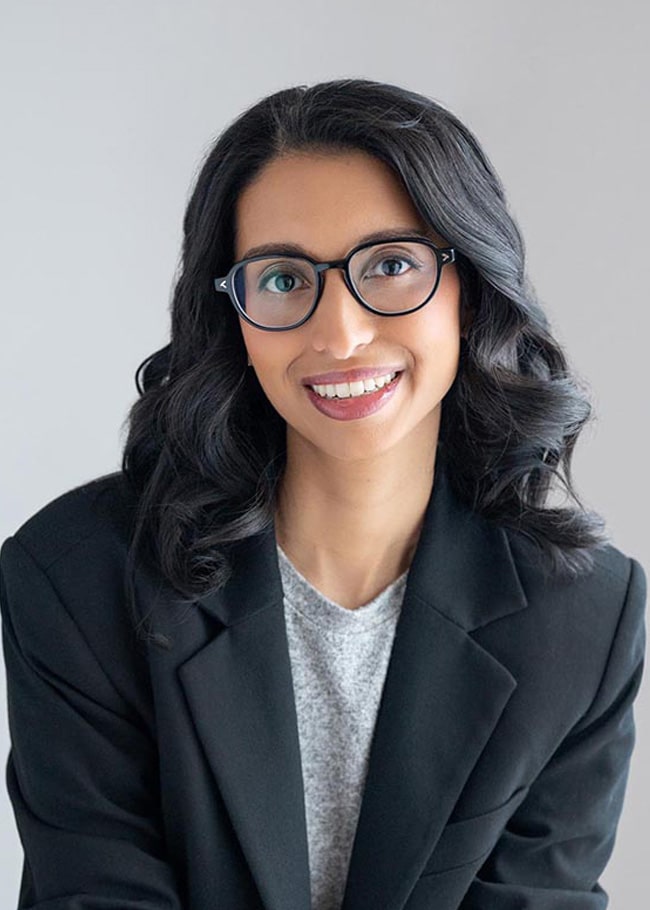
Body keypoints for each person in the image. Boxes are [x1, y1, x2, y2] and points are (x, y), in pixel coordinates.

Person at [0, 78, 645, 910]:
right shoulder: (77, 577)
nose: (340, 333)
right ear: (229, 310)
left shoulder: (584, 618)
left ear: (470, 286)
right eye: (281, 279)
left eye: (391, 265)